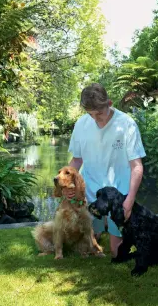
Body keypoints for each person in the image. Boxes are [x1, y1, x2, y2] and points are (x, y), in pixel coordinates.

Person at [62, 83, 146, 257]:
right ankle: (97, 231)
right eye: (90, 114)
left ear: (109, 103)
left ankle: (113, 233)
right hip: (91, 192)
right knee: (86, 248)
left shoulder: (126, 124)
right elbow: (77, 160)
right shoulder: (81, 124)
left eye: (99, 113)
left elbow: (136, 166)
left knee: (117, 252)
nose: (95, 119)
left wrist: (129, 200)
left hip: (118, 195)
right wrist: (66, 185)